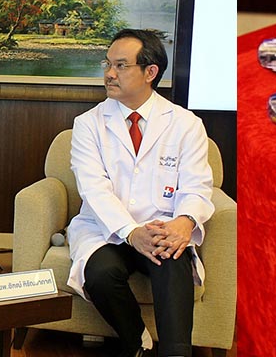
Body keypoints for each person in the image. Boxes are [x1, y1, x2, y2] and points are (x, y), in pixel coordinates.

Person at [68, 29, 215, 357]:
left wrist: (184, 222)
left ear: (150, 72)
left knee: (173, 260)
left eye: (121, 65)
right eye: (107, 64)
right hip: (107, 230)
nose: (109, 73)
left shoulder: (186, 124)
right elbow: (94, 189)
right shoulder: (88, 124)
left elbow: (197, 185)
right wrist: (131, 232)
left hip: (161, 226)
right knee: (100, 274)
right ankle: (137, 342)